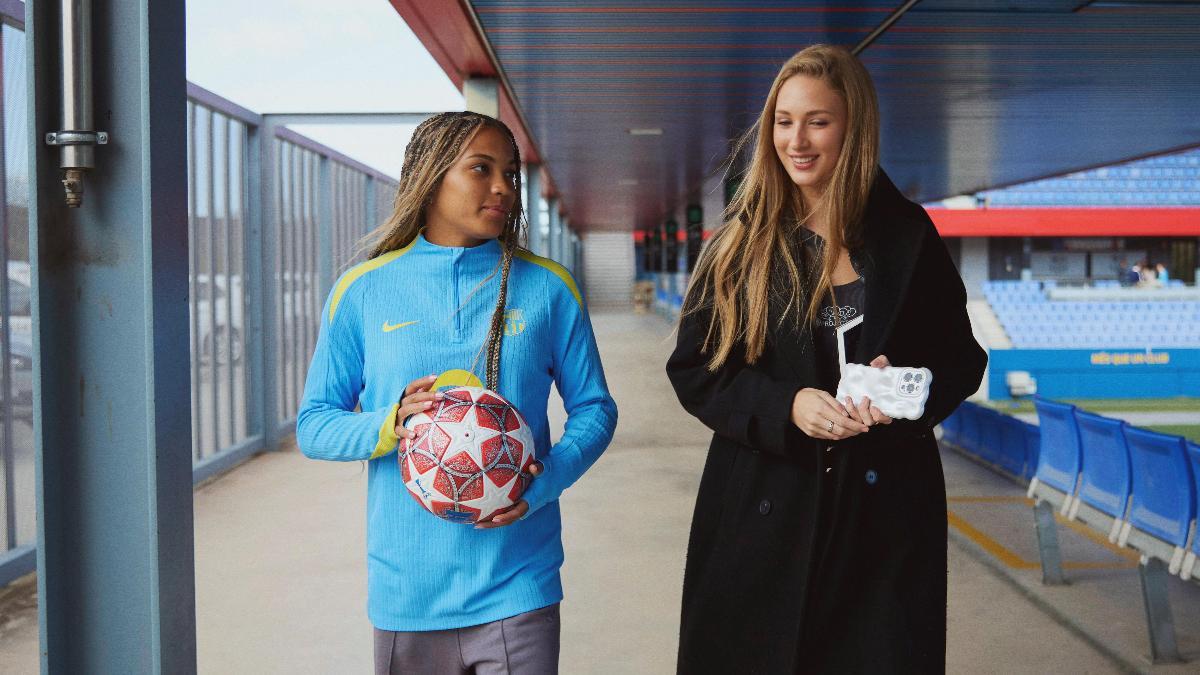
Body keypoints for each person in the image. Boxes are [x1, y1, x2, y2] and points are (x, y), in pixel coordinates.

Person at [665, 45, 987, 674]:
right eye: (784, 121)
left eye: (818, 121)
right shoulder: (741, 242)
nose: (797, 140)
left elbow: (961, 359)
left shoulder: (909, 237)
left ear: (854, 127)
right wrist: (786, 405)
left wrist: (909, 390)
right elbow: (695, 369)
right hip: (766, 509)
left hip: (883, 517)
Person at [296, 111, 617, 674]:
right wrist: (390, 423)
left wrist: (546, 481)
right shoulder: (363, 290)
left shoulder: (548, 287)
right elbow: (315, 424)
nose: (503, 188)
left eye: (510, 173)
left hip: (520, 581)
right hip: (408, 594)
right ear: (430, 176)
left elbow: (595, 408)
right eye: (481, 168)